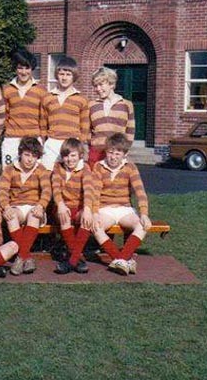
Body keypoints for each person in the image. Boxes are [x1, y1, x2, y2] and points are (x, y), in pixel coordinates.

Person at [87, 133, 151, 275]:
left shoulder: (130, 167)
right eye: (110, 152)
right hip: (105, 209)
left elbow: (140, 192)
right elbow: (94, 193)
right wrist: (95, 213)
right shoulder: (99, 166)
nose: (113, 157)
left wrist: (144, 214)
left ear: (124, 154)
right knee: (96, 227)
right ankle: (122, 259)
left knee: (143, 225)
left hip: (125, 209)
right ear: (106, 152)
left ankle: (121, 259)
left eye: (117, 154)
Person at [0, 137, 51, 275]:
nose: (30, 159)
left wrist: (41, 205)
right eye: (27, 155)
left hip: (34, 206)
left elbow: (47, 191)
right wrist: (6, 207)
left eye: (34, 156)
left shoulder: (41, 169)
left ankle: (20, 257)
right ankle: (26, 257)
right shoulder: (10, 169)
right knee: (11, 216)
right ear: (20, 153)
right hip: (16, 206)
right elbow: (2, 191)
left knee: (34, 215)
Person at [50, 138, 94, 274]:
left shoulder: (85, 168)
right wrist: (60, 204)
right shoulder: (58, 167)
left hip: (78, 207)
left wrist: (87, 209)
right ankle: (78, 259)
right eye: (66, 156)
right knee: (64, 217)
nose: (69, 159)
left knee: (87, 219)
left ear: (80, 155)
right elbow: (56, 189)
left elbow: (88, 190)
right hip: (62, 207)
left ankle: (72, 261)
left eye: (73, 155)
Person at [41, 56, 90, 170]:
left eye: (68, 74)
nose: (64, 78)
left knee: (73, 176)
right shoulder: (47, 98)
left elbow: (85, 125)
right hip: (52, 142)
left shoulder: (81, 99)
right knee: (48, 173)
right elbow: (43, 123)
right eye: (61, 74)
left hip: (73, 143)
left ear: (74, 76)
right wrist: (44, 141)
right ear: (57, 75)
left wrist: (80, 144)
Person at [1, 49, 47, 166]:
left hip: (33, 139)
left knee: (34, 174)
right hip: (12, 140)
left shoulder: (41, 90)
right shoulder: (7, 89)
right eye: (20, 68)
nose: (24, 72)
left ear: (32, 69)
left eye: (27, 68)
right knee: (9, 172)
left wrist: (42, 139)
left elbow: (43, 118)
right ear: (15, 69)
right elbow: (5, 115)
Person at [88, 67, 135, 166]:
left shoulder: (126, 105)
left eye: (101, 85)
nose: (98, 89)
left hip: (116, 154)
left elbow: (130, 130)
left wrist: (125, 149)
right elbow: (88, 130)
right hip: (96, 153)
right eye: (95, 86)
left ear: (111, 84)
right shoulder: (91, 105)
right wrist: (92, 145)